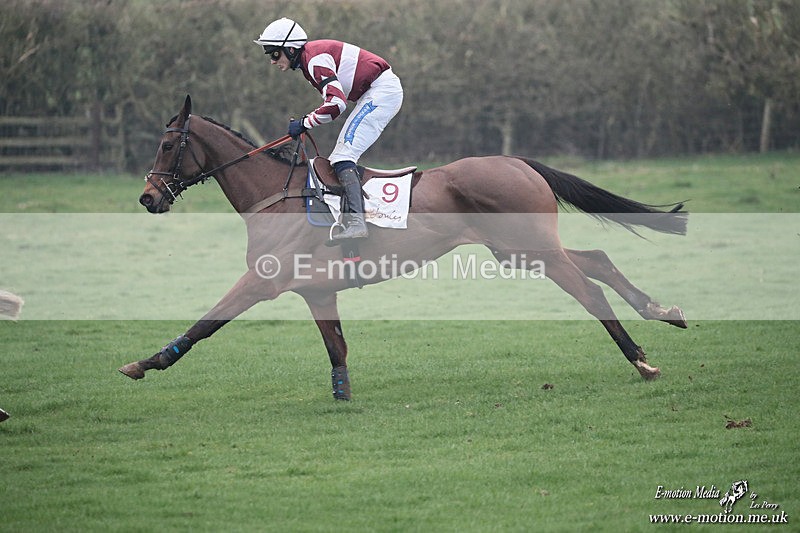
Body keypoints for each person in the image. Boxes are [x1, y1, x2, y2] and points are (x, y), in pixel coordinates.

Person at [254, 17, 404, 240]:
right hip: (376, 92)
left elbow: (337, 104)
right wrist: (308, 121)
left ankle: (356, 222)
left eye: (274, 53)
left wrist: (305, 122)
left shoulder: (314, 61)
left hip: (381, 92)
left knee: (343, 156)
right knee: (340, 157)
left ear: (291, 48)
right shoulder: (309, 60)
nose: (272, 61)